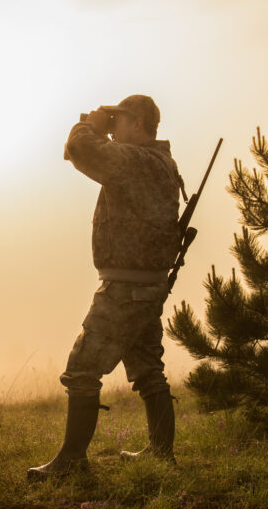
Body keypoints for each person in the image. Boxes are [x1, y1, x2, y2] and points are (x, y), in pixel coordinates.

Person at [27, 94, 184, 481]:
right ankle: (161, 455)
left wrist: (91, 127)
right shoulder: (160, 163)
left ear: (140, 123)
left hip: (125, 290)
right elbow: (82, 154)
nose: (115, 126)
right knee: (149, 370)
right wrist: (96, 130)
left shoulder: (138, 161)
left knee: (82, 370)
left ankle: (71, 462)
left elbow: (83, 148)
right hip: (145, 287)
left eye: (122, 119)